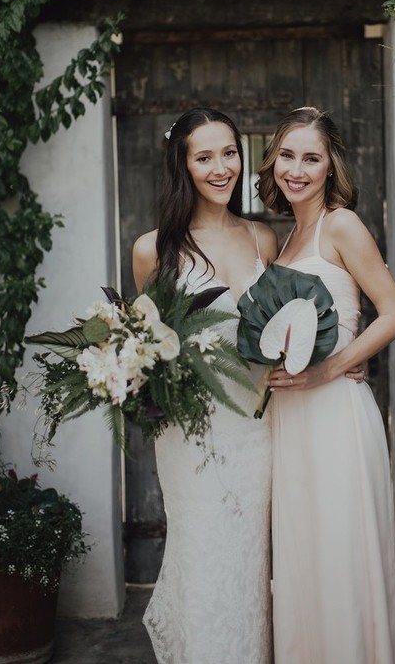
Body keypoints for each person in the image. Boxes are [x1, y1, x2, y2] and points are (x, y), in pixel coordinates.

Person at [256, 106, 395, 664]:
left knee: (341, 554)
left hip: (336, 416)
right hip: (291, 420)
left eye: (311, 158)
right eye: (288, 156)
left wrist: (332, 366)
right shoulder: (286, 238)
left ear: (329, 167)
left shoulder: (340, 224)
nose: (296, 169)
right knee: (304, 559)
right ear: (273, 160)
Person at [132, 108, 278, 664]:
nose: (222, 168)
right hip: (192, 433)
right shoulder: (154, 250)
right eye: (205, 156)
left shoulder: (263, 237)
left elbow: (286, 325)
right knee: (205, 552)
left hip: (259, 425)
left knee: (251, 559)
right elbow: (144, 345)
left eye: (230, 153)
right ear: (183, 164)